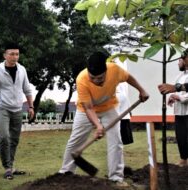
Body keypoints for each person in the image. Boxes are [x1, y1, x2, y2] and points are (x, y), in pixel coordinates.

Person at [59, 51, 149, 187]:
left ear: (106, 71)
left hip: (108, 107)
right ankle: (66, 172)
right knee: (75, 140)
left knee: (116, 141)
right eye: (92, 78)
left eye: (100, 78)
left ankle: (116, 177)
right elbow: (89, 108)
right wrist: (98, 126)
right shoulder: (82, 79)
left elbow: (128, 77)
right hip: (85, 110)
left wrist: (141, 90)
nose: (96, 81)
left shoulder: (115, 70)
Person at [0, 43, 34, 180]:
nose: (14, 57)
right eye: (11, 54)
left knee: (14, 139)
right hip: (2, 109)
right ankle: (7, 168)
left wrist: (31, 107)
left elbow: (27, 89)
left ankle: (11, 166)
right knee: (4, 137)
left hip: (18, 109)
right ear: (5, 55)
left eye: (17, 54)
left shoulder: (22, 70)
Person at [166, 52, 188, 167]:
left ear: (185, 60)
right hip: (179, 112)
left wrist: (179, 97)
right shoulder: (179, 76)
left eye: (179, 60)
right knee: (181, 137)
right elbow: (176, 90)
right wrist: (172, 96)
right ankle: (184, 160)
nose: (177, 62)